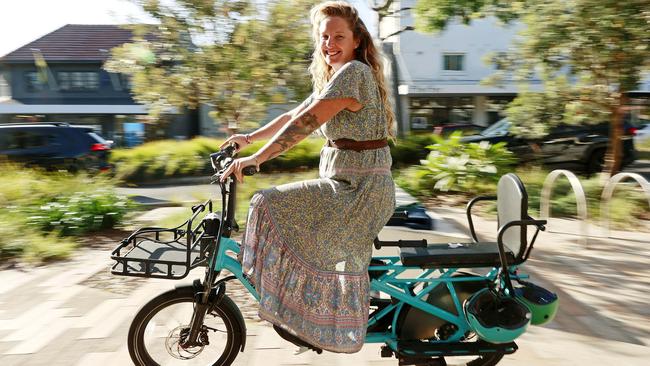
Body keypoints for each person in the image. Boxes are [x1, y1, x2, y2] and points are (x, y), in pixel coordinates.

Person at [219, 0, 396, 354]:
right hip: (348, 185)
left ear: (357, 40)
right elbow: (293, 113)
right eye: (324, 37)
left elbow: (306, 123)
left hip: (360, 190)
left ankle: (304, 314)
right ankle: (303, 314)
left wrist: (259, 158)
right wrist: (248, 139)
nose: (329, 44)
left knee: (268, 202)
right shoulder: (337, 75)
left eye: (338, 36)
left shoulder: (354, 73)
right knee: (281, 211)